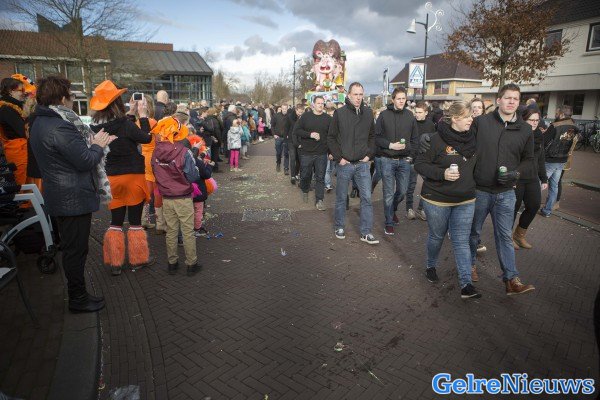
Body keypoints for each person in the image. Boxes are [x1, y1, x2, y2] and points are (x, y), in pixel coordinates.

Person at [420, 83, 536, 295]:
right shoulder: (481, 122)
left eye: (516, 99)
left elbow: (529, 159)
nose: (511, 102)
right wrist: (430, 136)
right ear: (498, 100)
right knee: (472, 234)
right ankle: (469, 266)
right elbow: (457, 133)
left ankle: (511, 279)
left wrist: (517, 173)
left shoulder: (526, 129)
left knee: (505, 236)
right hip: (479, 190)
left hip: (506, 192)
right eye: (507, 97)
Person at [29, 75, 116, 312]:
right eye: (71, 95)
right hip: (72, 199)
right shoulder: (59, 126)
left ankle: (79, 295)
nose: (73, 99)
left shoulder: (41, 121)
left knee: (73, 249)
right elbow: (85, 160)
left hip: (62, 195)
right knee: (76, 251)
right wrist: (98, 144)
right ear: (62, 98)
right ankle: (78, 298)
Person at [415, 101, 480, 298]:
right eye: (467, 116)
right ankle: (430, 265)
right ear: (456, 118)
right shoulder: (435, 140)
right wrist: (442, 174)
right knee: (437, 236)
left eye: (471, 116)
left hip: (466, 199)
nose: (471, 119)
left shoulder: (474, 139)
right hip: (437, 199)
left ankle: (466, 285)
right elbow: (420, 164)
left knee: (461, 241)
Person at [90, 80, 153, 275]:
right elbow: (145, 137)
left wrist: (131, 114)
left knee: (115, 222)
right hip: (133, 177)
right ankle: (138, 260)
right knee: (134, 222)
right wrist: (142, 115)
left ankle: (115, 263)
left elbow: (119, 128)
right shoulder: (125, 124)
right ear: (117, 103)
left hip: (112, 179)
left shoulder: (94, 127)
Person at [327, 82, 378, 244]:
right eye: (355, 94)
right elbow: (331, 137)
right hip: (345, 163)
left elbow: (373, 136)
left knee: (367, 198)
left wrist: (369, 155)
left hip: (362, 163)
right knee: (342, 197)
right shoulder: (340, 113)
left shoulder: (368, 113)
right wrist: (339, 157)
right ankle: (339, 226)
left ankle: (366, 232)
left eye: (360, 94)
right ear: (348, 95)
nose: (358, 98)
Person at [152, 113, 201, 276]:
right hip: (183, 196)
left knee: (171, 231)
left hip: (167, 197)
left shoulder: (156, 151)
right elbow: (193, 176)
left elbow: (155, 172)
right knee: (187, 231)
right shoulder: (184, 151)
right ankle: (191, 264)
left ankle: (172, 263)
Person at [375, 87, 419, 236]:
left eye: (403, 98)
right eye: (398, 98)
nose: (401, 101)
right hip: (387, 159)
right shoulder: (384, 115)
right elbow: (377, 138)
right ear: (393, 99)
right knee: (388, 193)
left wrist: (411, 156)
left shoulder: (410, 116)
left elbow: (415, 139)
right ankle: (389, 222)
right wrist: (390, 145)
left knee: (402, 192)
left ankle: (392, 209)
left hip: (404, 161)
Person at [513, 108, 548, 249]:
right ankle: (507, 236)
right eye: (531, 120)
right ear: (523, 120)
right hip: (517, 177)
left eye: (537, 120)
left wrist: (544, 178)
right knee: (513, 208)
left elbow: (541, 158)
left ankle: (519, 235)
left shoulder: (539, 135)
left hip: (532, 177)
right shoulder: (516, 134)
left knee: (534, 205)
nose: (534, 123)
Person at [540, 105, 577, 217]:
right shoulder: (574, 126)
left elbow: (544, 141)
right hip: (563, 159)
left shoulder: (555, 125)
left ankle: (530, 206)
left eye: (557, 113)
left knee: (538, 183)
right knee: (554, 186)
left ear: (561, 114)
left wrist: (544, 133)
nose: (555, 115)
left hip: (550, 159)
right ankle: (547, 211)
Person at [294, 96, 331, 210]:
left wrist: (331, 152)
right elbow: (297, 130)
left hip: (321, 152)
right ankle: (305, 189)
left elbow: (331, 136)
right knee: (305, 175)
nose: (320, 105)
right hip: (307, 152)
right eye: (318, 103)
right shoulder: (306, 116)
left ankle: (319, 200)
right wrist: (310, 134)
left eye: (322, 103)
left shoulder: (328, 119)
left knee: (320, 177)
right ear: (313, 104)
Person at [403, 101, 435, 221]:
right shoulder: (411, 123)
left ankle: (421, 209)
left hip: (425, 160)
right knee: (411, 185)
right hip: (412, 159)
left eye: (420, 112)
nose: (417, 114)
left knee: (428, 184)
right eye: (416, 112)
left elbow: (433, 142)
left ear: (426, 113)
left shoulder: (431, 125)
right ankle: (409, 209)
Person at [0, 77, 30, 185]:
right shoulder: (6, 109)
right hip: (18, 152)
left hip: (20, 151)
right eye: (21, 90)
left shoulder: (13, 107)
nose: (24, 93)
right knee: (23, 183)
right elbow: (23, 131)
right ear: (11, 91)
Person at [288, 104, 305, 184]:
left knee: (299, 159)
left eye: (301, 112)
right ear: (296, 110)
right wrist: (286, 140)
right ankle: (292, 176)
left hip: (299, 141)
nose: (300, 114)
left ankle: (296, 173)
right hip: (291, 141)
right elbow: (286, 128)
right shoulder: (290, 117)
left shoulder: (303, 117)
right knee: (293, 158)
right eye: (299, 112)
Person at [272, 104, 290, 173]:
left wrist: (289, 134)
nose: (284, 110)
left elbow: (291, 126)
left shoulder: (289, 116)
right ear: (281, 108)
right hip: (278, 137)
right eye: (283, 108)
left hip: (286, 138)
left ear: (287, 109)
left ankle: (286, 168)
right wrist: (274, 134)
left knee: (286, 153)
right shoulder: (276, 116)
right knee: (279, 152)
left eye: (285, 108)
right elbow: (272, 126)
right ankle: (278, 163)